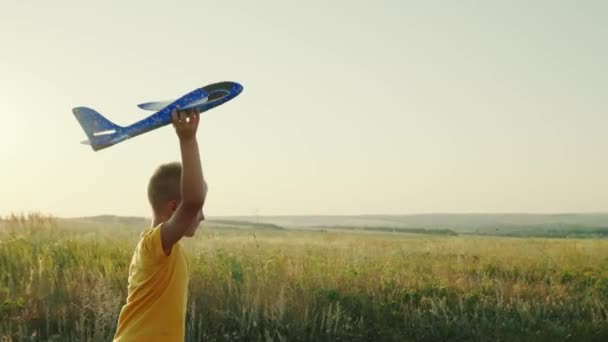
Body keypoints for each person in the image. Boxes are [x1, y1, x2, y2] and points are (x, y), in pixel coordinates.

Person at [113, 108, 207, 341]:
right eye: (198, 211)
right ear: (175, 208)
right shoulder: (155, 245)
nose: (201, 216)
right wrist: (188, 140)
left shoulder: (165, 248)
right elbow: (193, 199)